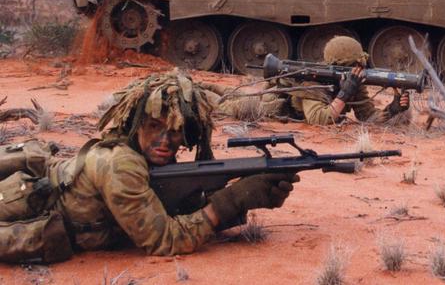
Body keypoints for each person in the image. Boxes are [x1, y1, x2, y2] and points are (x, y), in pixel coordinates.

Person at [0, 71, 298, 263]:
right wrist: (230, 201)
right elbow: (165, 240)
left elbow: (173, 209)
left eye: (175, 130)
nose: (164, 140)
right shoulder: (121, 164)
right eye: (154, 126)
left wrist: (250, 195)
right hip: (22, 214)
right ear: (135, 124)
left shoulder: (145, 156)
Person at [264, 36, 410, 125]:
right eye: (355, 65)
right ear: (341, 66)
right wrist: (345, 93)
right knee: (242, 108)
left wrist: (392, 110)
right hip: (273, 109)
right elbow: (319, 119)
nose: (360, 68)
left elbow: (367, 116)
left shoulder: (351, 80)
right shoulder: (314, 80)